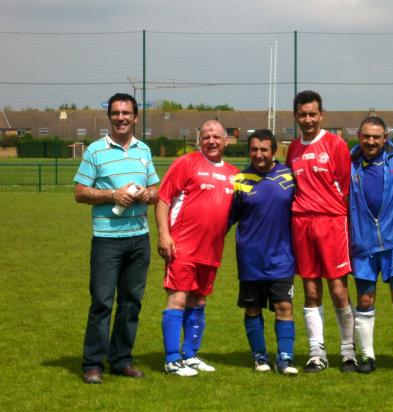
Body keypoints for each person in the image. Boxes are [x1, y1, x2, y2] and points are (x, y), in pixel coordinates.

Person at [74, 93, 159, 384]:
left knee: (131, 302)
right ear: (109, 117)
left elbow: (156, 190)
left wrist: (149, 194)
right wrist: (112, 194)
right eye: (115, 113)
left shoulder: (143, 151)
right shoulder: (95, 151)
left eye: (126, 113)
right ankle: (93, 364)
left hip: (139, 238)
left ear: (135, 117)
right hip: (107, 240)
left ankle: (121, 360)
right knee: (102, 302)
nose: (121, 118)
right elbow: (80, 192)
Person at [156, 120, 239, 377]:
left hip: (211, 250)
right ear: (199, 140)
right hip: (182, 246)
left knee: (199, 301)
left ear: (226, 141)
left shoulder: (234, 174)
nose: (211, 141)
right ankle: (172, 360)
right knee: (178, 298)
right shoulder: (187, 163)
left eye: (216, 137)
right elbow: (163, 198)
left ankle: (190, 355)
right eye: (206, 137)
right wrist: (163, 235)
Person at [286, 90, 356, 373]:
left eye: (312, 114)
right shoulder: (292, 148)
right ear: (296, 116)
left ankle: (348, 351)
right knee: (310, 288)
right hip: (302, 223)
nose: (308, 119)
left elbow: (347, 190)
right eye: (302, 115)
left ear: (321, 115)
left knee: (339, 289)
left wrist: (348, 229)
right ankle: (317, 352)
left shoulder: (335, 144)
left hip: (331, 222)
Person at [348, 116, 393, 375]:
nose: (371, 141)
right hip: (362, 244)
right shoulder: (349, 161)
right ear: (359, 137)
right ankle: (366, 356)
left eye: (377, 137)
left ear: (385, 137)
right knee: (365, 299)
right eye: (366, 136)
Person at [230, 129, 297, 375]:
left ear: (274, 151)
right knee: (253, 309)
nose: (259, 154)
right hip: (250, 259)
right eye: (254, 149)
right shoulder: (240, 179)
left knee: (284, 307)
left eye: (264, 149)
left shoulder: (289, 176)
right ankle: (260, 357)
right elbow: (227, 218)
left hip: (282, 257)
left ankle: (286, 358)